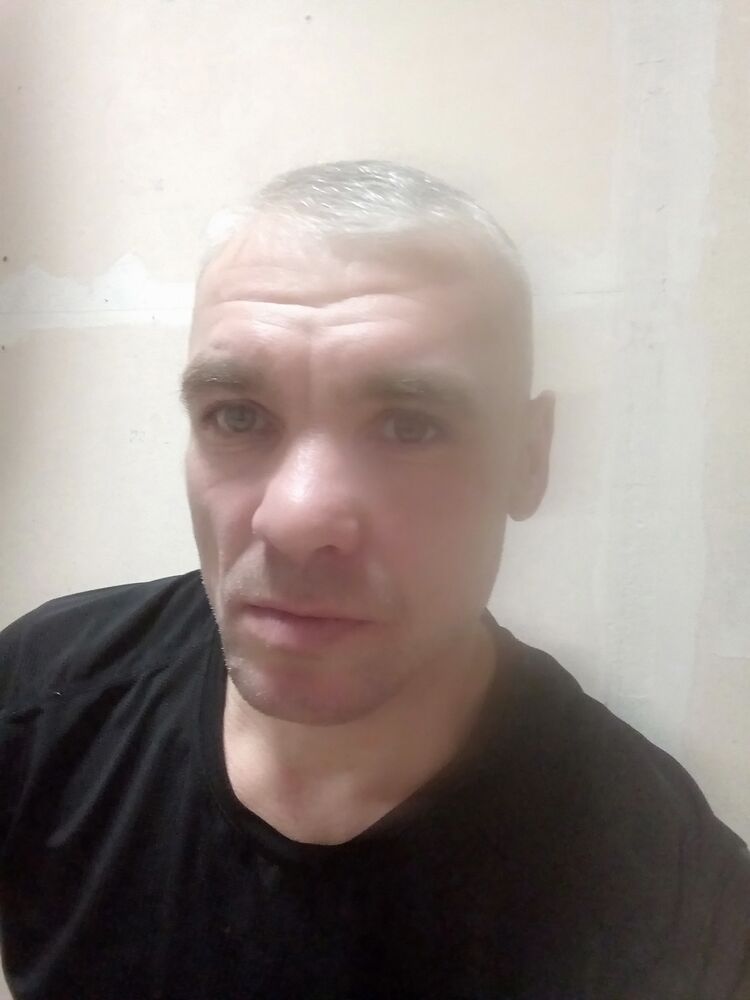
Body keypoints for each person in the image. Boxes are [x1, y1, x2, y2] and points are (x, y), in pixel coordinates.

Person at [0, 160, 748, 1000]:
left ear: (529, 458)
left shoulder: (670, 900)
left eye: (410, 426)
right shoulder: (37, 703)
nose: (296, 519)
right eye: (237, 416)